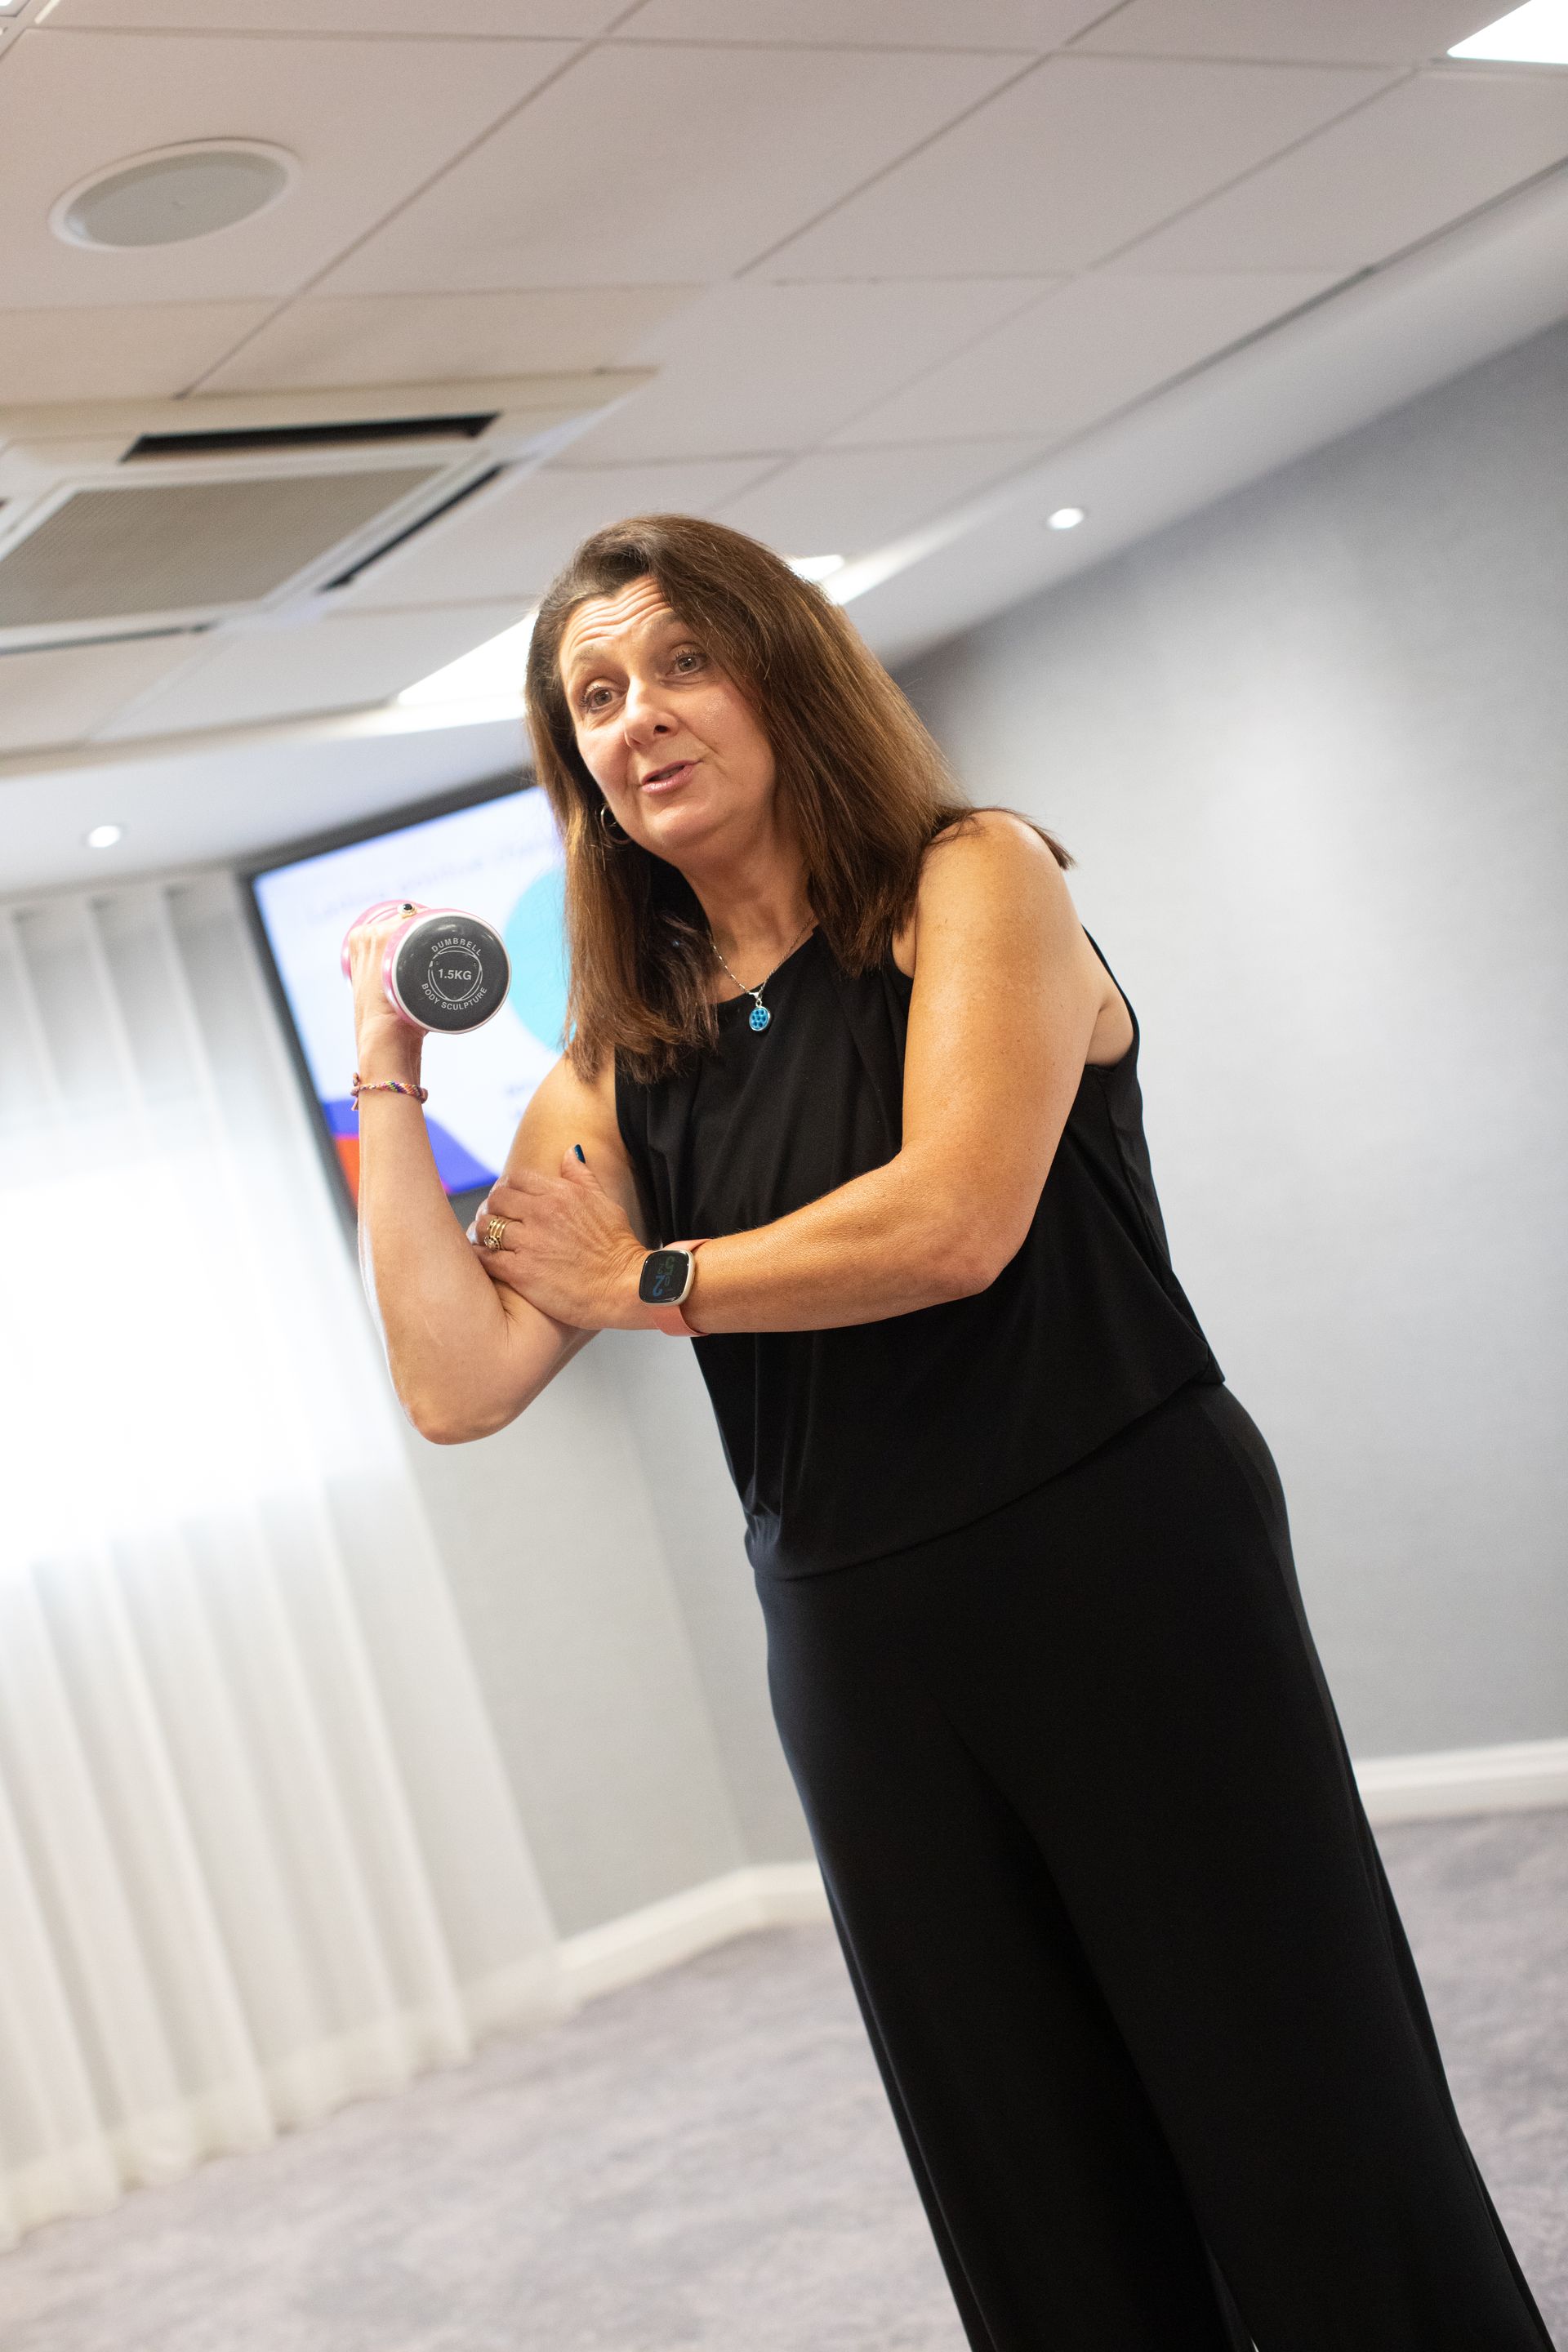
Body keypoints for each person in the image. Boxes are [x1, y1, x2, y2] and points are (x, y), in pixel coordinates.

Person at [345, 514, 1557, 2352]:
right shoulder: (626, 1053)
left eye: (682, 661)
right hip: (855, 1630)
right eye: (592, 696)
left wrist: (652, 1270)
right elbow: (460, 1380)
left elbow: (953, 1222)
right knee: (1028, 2170)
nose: (639, 718)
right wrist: (388, 1070)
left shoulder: (970, 880)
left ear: (782, 672)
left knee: (1293, 2103)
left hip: (1120, 1556)